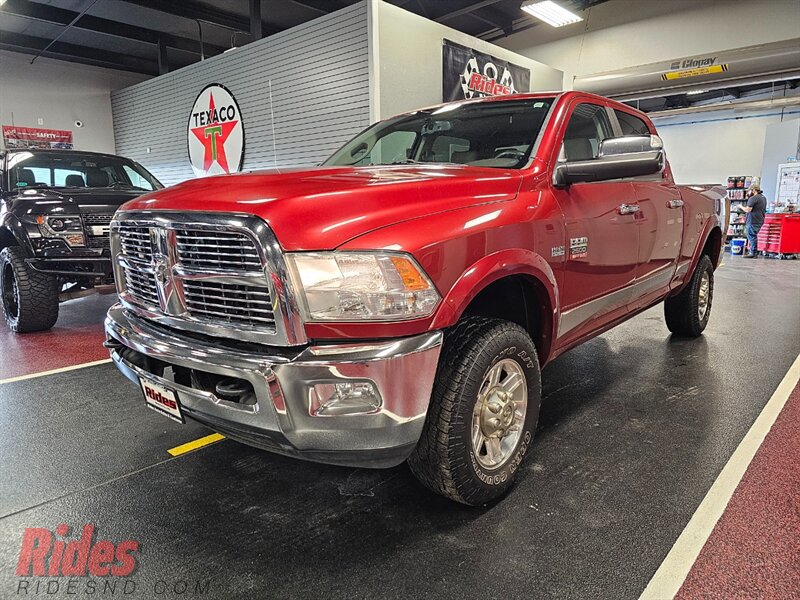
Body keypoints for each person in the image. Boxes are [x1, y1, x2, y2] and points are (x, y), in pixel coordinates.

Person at [740, 185, 767, 258]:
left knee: (751, 236)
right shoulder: (763, 198)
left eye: (749, 190)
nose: (748, 192)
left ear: (754, 190)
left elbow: (748, 210)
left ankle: (753, 253)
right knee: (753, 236)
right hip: (760, 220)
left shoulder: (753, 198)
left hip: (753, 220)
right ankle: (753, 251)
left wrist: (740, 206)